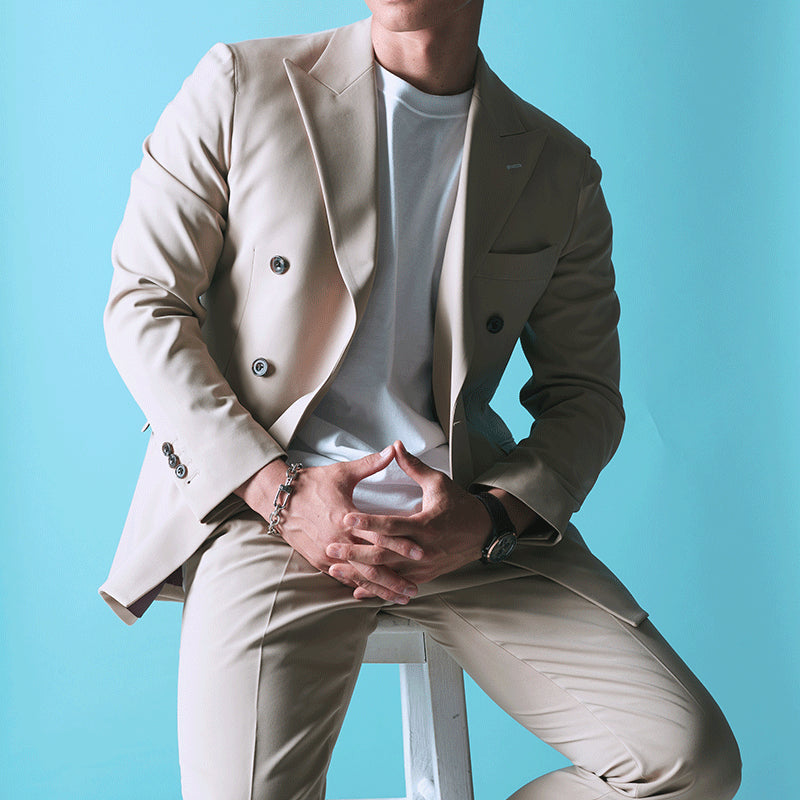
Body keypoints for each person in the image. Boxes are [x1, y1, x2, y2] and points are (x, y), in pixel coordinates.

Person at [100, 2, 742, 798]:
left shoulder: (557, 167)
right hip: (271, 510)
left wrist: (490, 518)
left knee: (689, 764)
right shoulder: (243, 83)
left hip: (458, 522)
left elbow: (585, 396)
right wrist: (280, 492)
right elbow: (144, 306)